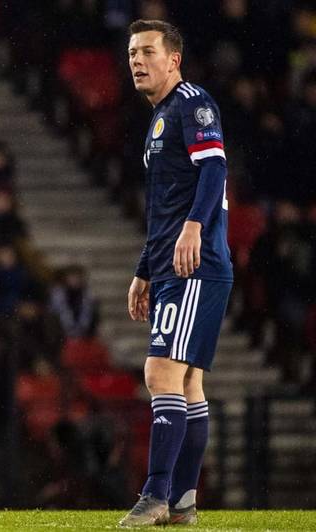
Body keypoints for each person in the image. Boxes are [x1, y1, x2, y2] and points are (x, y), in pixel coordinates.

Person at [121, 20, 233, 527]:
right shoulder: (160, 116)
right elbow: (162, 206)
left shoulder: (192, 103)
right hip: (173, 264)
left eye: (148, 51)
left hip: (194, 263)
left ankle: (155, 495)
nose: (137, 61)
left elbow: (214, 168)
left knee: (160, 372)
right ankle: (183, 501)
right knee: (187, 383)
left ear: (174, 60)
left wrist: (194, 227)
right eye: (132, 53)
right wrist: (144, 268)